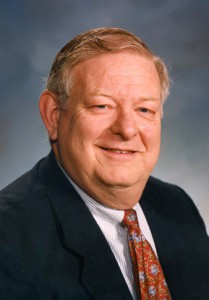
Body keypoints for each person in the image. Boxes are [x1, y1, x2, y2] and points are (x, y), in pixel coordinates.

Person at [0, 27, 209, 300]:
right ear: (53, 116)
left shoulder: (177, 206)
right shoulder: (9, 241)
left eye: (144, 109)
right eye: (102, 106)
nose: (127, 129)